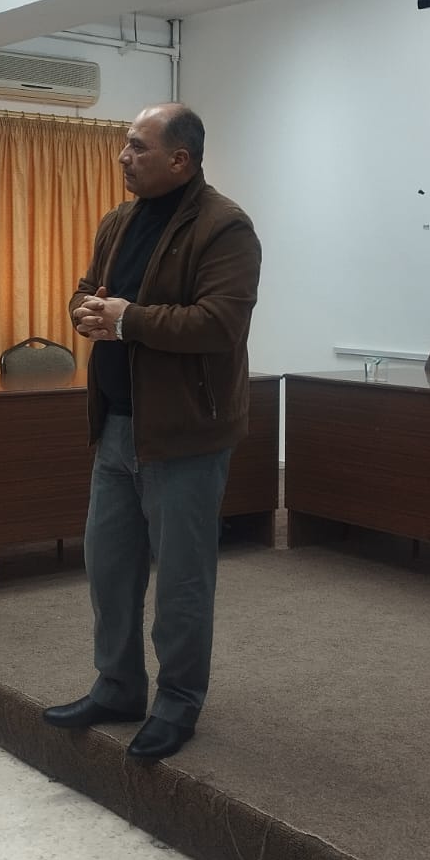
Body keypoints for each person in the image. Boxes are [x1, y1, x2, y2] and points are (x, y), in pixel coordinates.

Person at [43, 102, 261, 760]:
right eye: (125, 144)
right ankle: (117, 687)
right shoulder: (119, 220)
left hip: (185, 436)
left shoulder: (225, 227)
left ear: (180, 160)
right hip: (116, 428)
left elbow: (219, 323)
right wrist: (84, 310)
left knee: (182, 584)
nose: (124, 156)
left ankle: (178, 702)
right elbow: (89, 289)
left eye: (138, 147)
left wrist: (127, 319)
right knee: (109, 570)